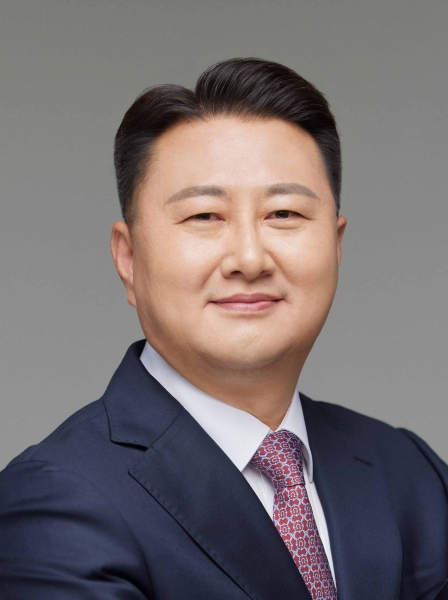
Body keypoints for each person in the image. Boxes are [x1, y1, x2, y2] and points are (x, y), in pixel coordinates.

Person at [0, 58, 447, 600]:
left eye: (283, 214)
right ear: (128, 258)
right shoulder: (58, 500)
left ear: (336, 244)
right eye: (205, 216)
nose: (250, 259)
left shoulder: (408, 471)